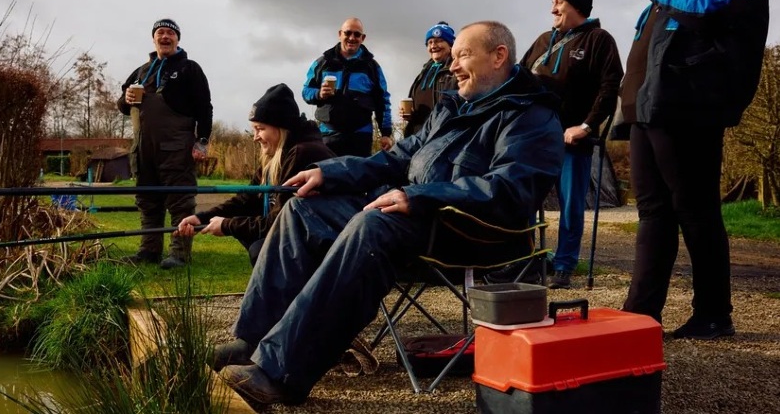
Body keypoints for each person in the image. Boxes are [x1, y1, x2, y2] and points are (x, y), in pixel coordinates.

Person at [215, 21, 564, 405]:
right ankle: (250, 339)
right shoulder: (452, 109)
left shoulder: (532, 116)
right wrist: (327, 173)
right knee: (302, 210)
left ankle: (281, 372)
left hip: (471, 233)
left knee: (372, 225)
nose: (452, 66)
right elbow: (397, 157)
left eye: (463, 54)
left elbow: (510, 190)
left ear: (499, 56)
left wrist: (420, 196)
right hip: (416, 218)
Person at [622, 0, 768, 339]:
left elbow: (712, 10)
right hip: (650, 108)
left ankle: (713, 314)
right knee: (652, 212)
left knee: (697, 211)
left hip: (689, 105)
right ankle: (641, 313)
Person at [519, 0, 622, 289]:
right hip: (535, 138)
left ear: (576, 5)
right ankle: (523, 260)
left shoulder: (599, 39)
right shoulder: (541, 41)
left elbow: (609, 87)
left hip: (572, 139)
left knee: (571, 204)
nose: (553, 8)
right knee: (522, 199)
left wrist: (587, 126)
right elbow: (519, 76)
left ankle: (564, 266)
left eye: (559, 1)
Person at [176, 84, 335, 265]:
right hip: (297, 236)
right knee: (251, 237)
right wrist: (201, 218)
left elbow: (279, 222)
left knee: (260, 248)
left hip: (321, 243)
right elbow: (248, 198)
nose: (255, 137)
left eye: (260, 129)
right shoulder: (278, 153)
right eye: (254, 129)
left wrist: (227, 225)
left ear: (280, 126)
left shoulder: (302, 153)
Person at [117, 18, 213, 269]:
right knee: (148, 202)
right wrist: (125, 99)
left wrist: (202, 141)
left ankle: (179, 254)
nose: (165, 37)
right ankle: (149, 250)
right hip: (143, 150)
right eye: (160, 32)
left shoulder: (190, 69)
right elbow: (122, 107)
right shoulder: (140, 71)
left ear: (177, 39)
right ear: (153, 38)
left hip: (177, 149)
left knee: (180, 202)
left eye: (170, 33)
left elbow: (205, 108)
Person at [302, 17, 393, 157]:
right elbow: (306, 91)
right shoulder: (322, 62)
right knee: (327, 176)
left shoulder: (372, 67)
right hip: (328, 134)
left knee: (358, 177)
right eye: (348, 33)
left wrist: (386, 133)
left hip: (360, 135)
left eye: (357, 34)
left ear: (363, 38)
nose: (352, 38)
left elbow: (383, 101)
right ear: (340, 34)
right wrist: (319, 94)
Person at [402, 21, 458, 137]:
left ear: (450, 44)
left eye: (439, 41)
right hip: (416, 136)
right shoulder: (424, 71)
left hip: (440, 136)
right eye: (430, 42)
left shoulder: (456, 70)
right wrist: (409, 114)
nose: (433, 46)